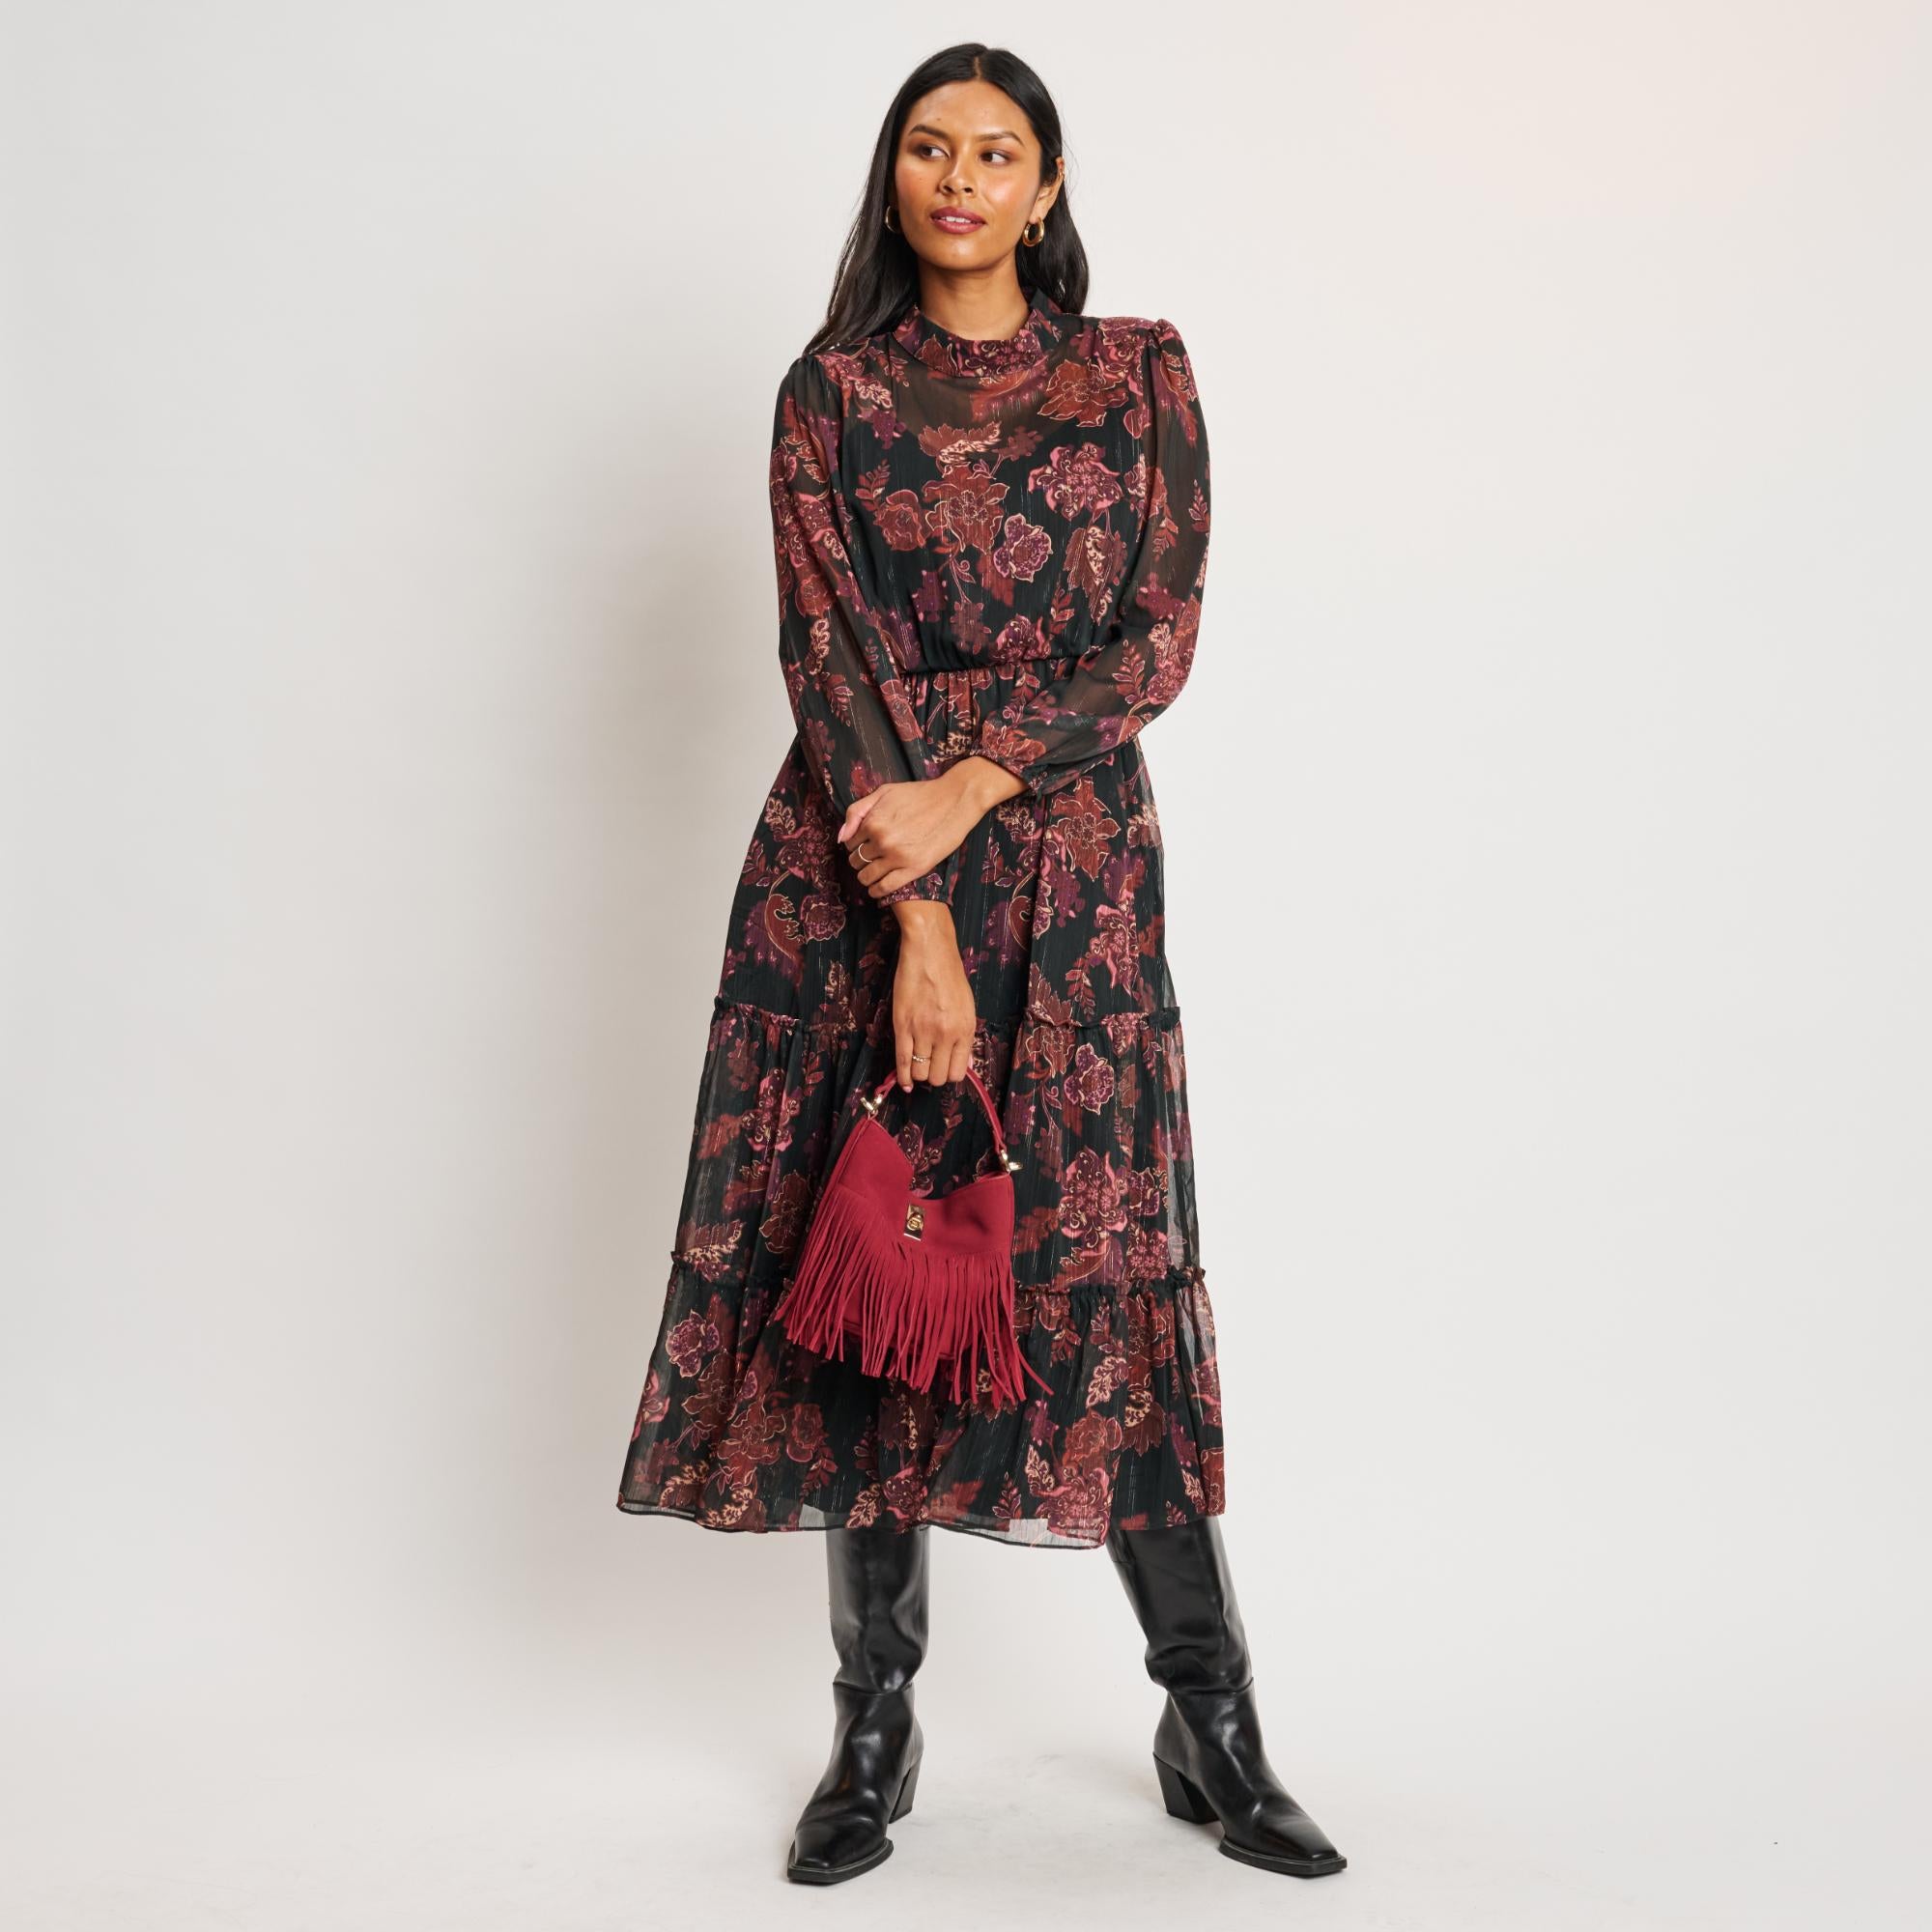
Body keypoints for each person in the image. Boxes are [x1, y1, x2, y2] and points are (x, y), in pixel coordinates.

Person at [615, 41, 1347, 1887]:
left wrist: (980, 782)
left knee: (1099, 1268)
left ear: (1046, 184)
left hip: (1078, 878)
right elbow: (825, 652)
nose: (959, 178)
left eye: (995, 151)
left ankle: (1213, 1719)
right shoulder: (832, 393)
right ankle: (873, 1731)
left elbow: (1156, 637)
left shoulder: (1140, 374)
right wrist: (920, 909)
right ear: (893, 179)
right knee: (885, 1262)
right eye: (928, 148)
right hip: (865, 873)